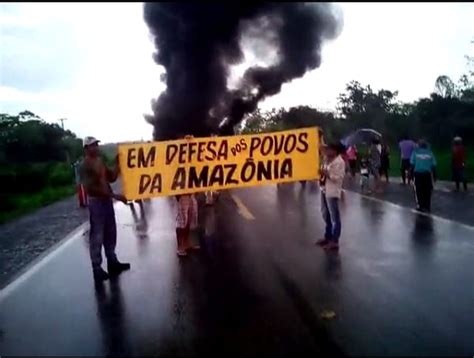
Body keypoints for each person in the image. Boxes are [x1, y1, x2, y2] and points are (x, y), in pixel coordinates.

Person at [79, 136, 131, 282]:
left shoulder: (100, 162)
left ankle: (112, 261)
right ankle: (97, 268)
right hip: (96, 203)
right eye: (92, 145)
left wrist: (118, 163)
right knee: (97, 235)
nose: (95, 147)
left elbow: (112, 177)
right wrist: (115, 195)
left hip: (106, 201)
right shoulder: (84, 166)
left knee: (110, 232)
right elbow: (91, 188)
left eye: (96, 144)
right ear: (86, 148)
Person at [316, 143, 346, 251]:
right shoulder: (326, 159)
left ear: (335, 151)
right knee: (325, 214)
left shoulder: (339, 162)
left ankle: (334, 241)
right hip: (324, 189)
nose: (327, 151)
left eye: (329, 149)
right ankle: (327, 237)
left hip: (332, 191)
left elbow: (338, 178)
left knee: (334, 217)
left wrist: (326, 173)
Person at [175, 135, 200, 257]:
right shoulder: (177, 158)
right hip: (182, 193)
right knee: (182, 221)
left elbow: (195, 171)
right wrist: (177, 194)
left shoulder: (191, 159)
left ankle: (187, 243)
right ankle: (180, 246)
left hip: (191, 193)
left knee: (190, 219)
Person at [410, 139, 437, 212]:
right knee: (427, 190)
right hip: (427, 174)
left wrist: (411, 175)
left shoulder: (415, 152)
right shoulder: (430, 153)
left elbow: (412, 164)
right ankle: (427, 206)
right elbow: (433, 165)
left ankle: (420, 205)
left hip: (418, 174)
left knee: (419, 190)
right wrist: (435, 176)